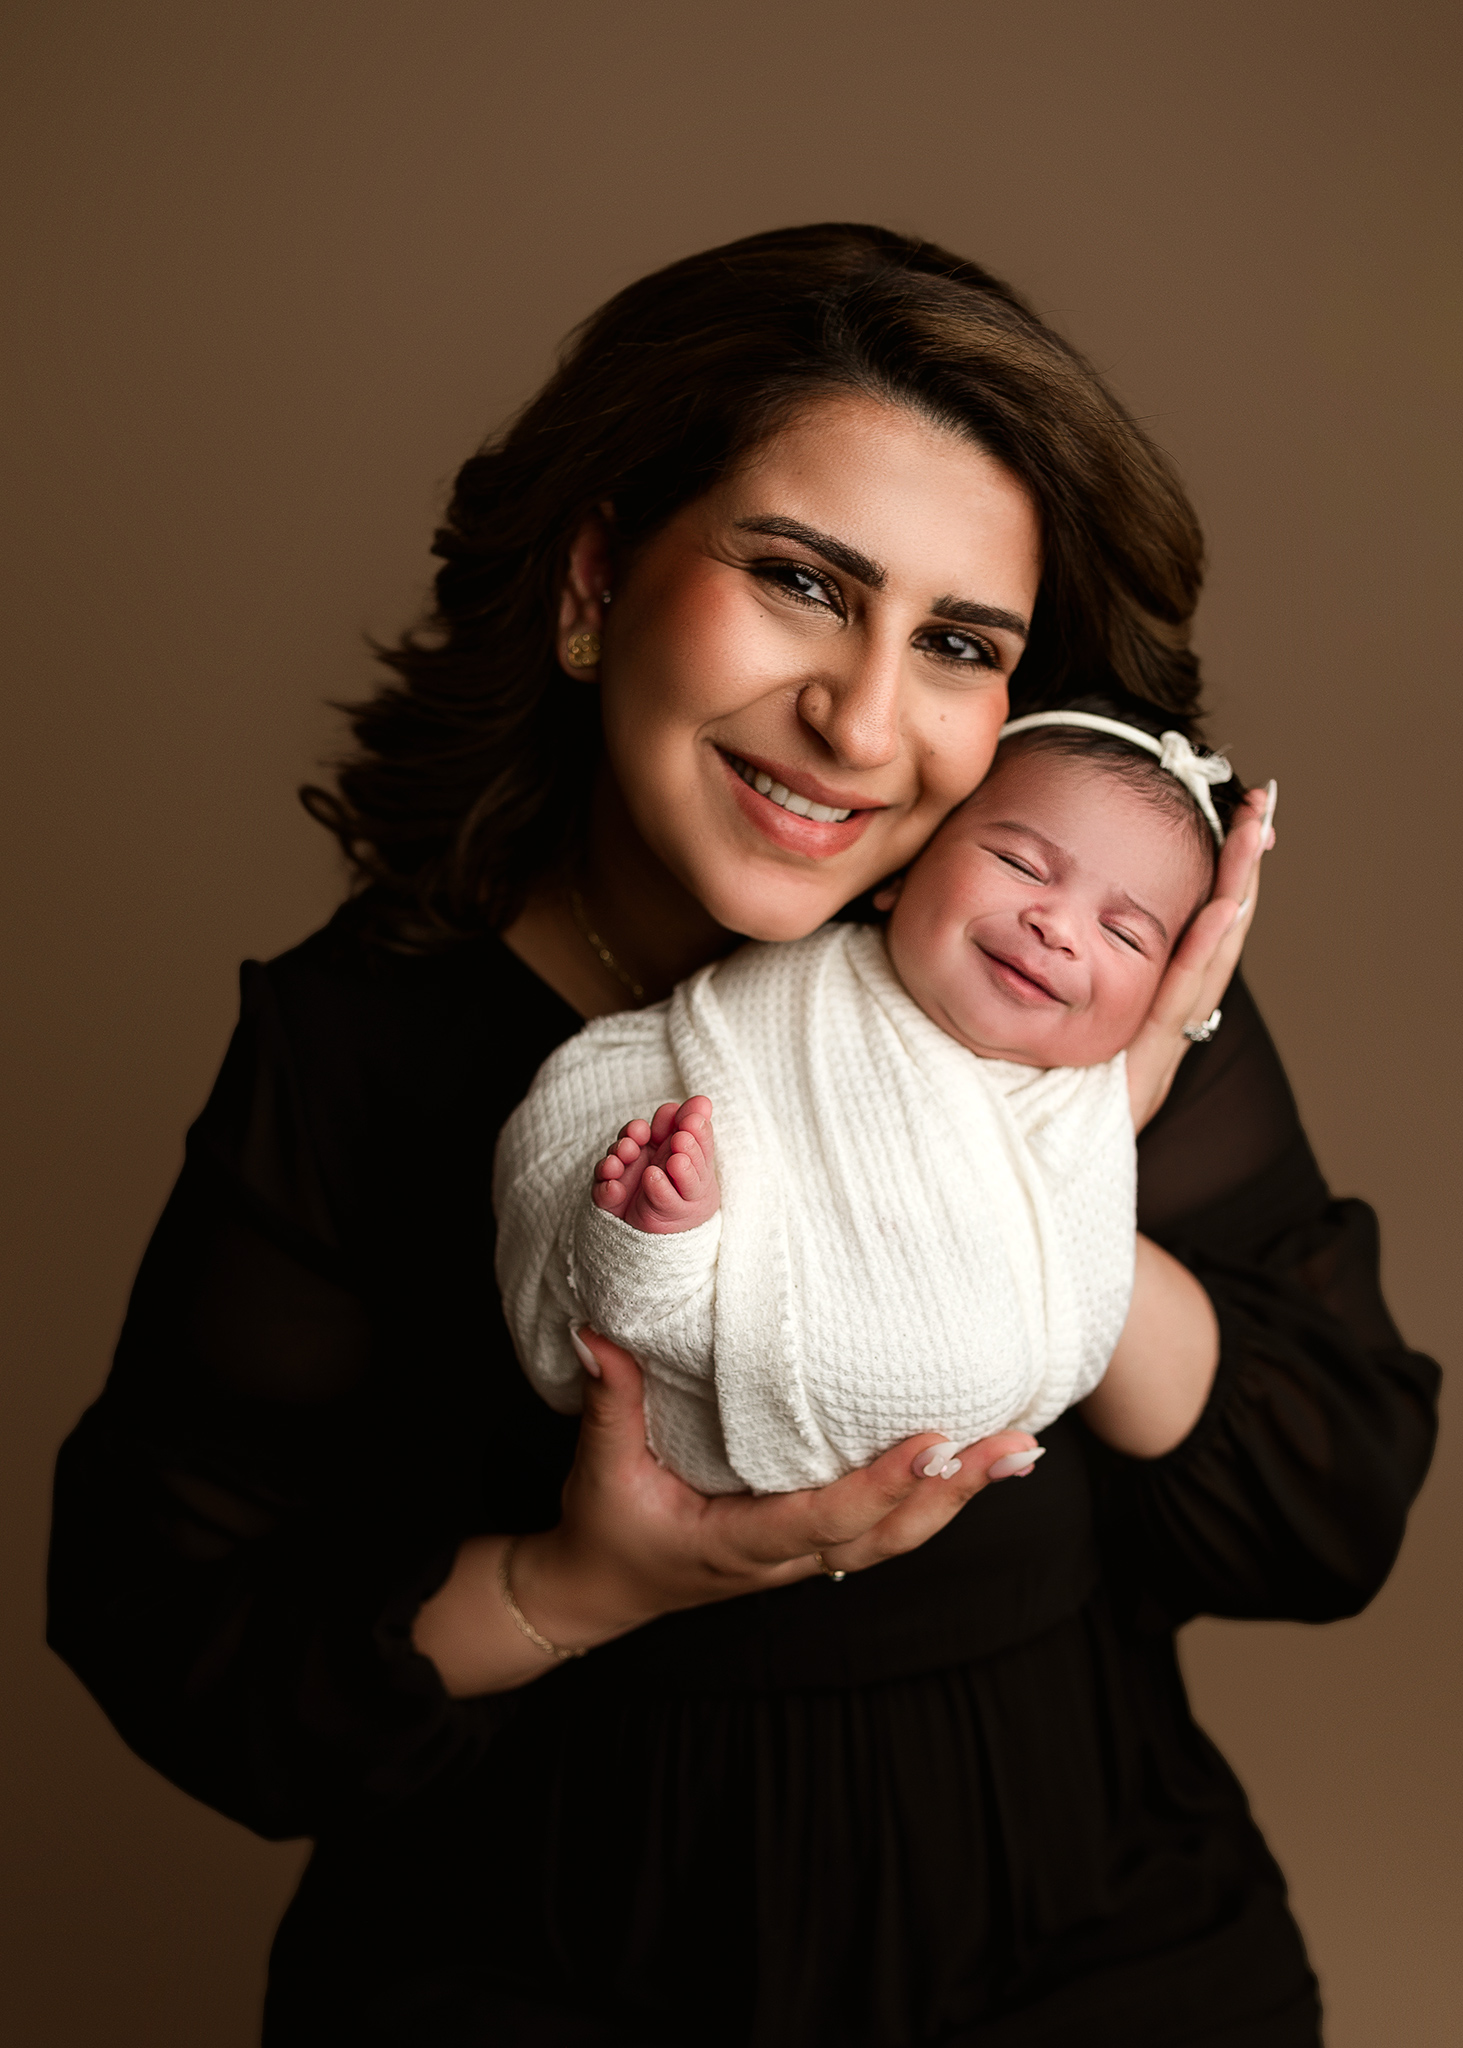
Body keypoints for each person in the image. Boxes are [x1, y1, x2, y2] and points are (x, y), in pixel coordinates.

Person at [46, 225, 1438, 2047]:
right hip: (536, 1970)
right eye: (797, 580)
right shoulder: (359, 1043)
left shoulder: (1060, 964)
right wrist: (576, 1584)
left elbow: (1325, 1517)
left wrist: (1075, 1150)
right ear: (594, 576)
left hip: (1097, 1945)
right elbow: (182, 1637)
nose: (861, 720)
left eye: (955, 642)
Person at [498, 711, 1254, 1499]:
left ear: (1158, 997)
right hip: (673, 1371)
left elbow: (1067, 1278)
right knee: (637, 1127)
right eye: (1019, 864)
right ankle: (649, 1245)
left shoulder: (1089, 1105)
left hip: (912, 1438)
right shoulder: (804, 994)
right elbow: (624, 1072)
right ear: (899, 871)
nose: (1057, 926)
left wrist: (1147, 1059)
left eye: (1124, 935)